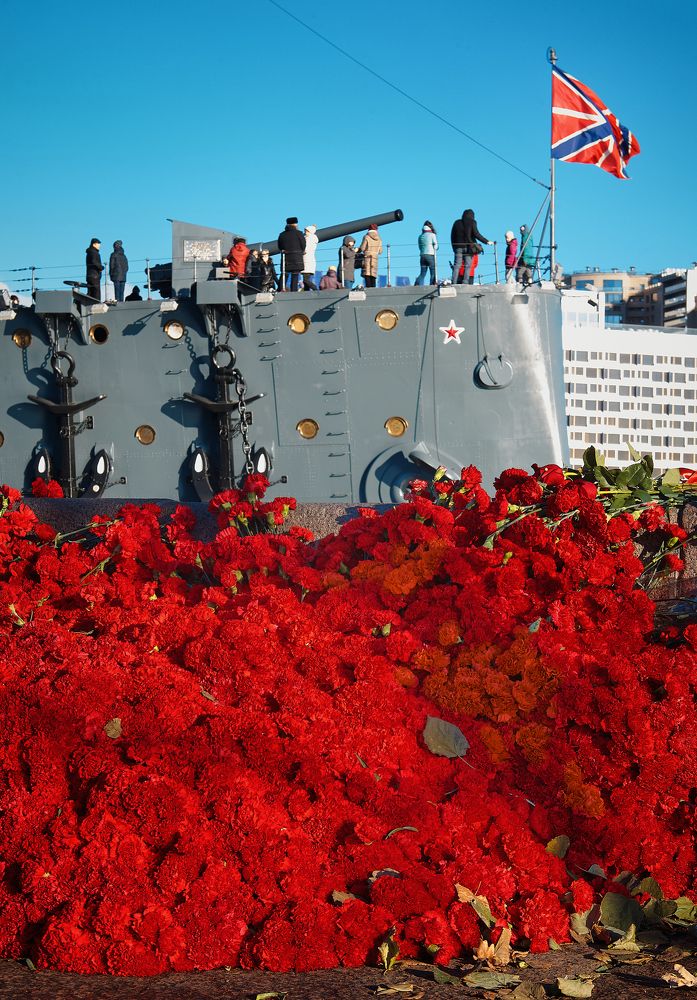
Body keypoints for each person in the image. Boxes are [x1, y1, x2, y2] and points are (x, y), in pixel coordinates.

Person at [450, 209, 492, 284]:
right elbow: (476, 234)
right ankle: (465, 281)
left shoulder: (456, 222)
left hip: (458, 247)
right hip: (469, 247)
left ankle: (453, 282)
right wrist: (487, 241)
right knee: (468, 265)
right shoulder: (472, 222)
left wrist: (454, 248)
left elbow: (452, 236)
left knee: (457, 265)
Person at [277, 217, 305, 291]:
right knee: (295, 275)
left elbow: (280, 246)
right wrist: (301, 251)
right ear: (295, 224)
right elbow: (303, 244)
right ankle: (294, 290)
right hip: (296, 257)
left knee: (284, 274)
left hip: (286, 257)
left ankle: (280, 289)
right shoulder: (299, 233)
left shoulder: (282, 234)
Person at [359, 224, 383, 288]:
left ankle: (368, 289)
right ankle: (373, 289)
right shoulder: (379, 238)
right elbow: (380, 251)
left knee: (367, 274)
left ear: (369, 229)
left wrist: (358, 250)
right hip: (375, 257)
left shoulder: (366, 237)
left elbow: (362, 248)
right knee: (373, 274)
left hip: (367, 257)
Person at [415, 221, 438, 285]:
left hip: (422, 256)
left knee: (422, 273)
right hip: (430, 255)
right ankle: (432, 286)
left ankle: (417, 284)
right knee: (433, 272)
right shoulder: (432, 235)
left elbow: (419, 247)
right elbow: (436, 247)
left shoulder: (420, 236)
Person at [302, 225, 318, 291]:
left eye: (307, 231)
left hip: (308, 260)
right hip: (306, 260)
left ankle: (315, 288)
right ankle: (306, 293)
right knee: (305, 280)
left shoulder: (310, 238)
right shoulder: (308, 238)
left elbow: (306, 249)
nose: (305, 232)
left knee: (305, 280)